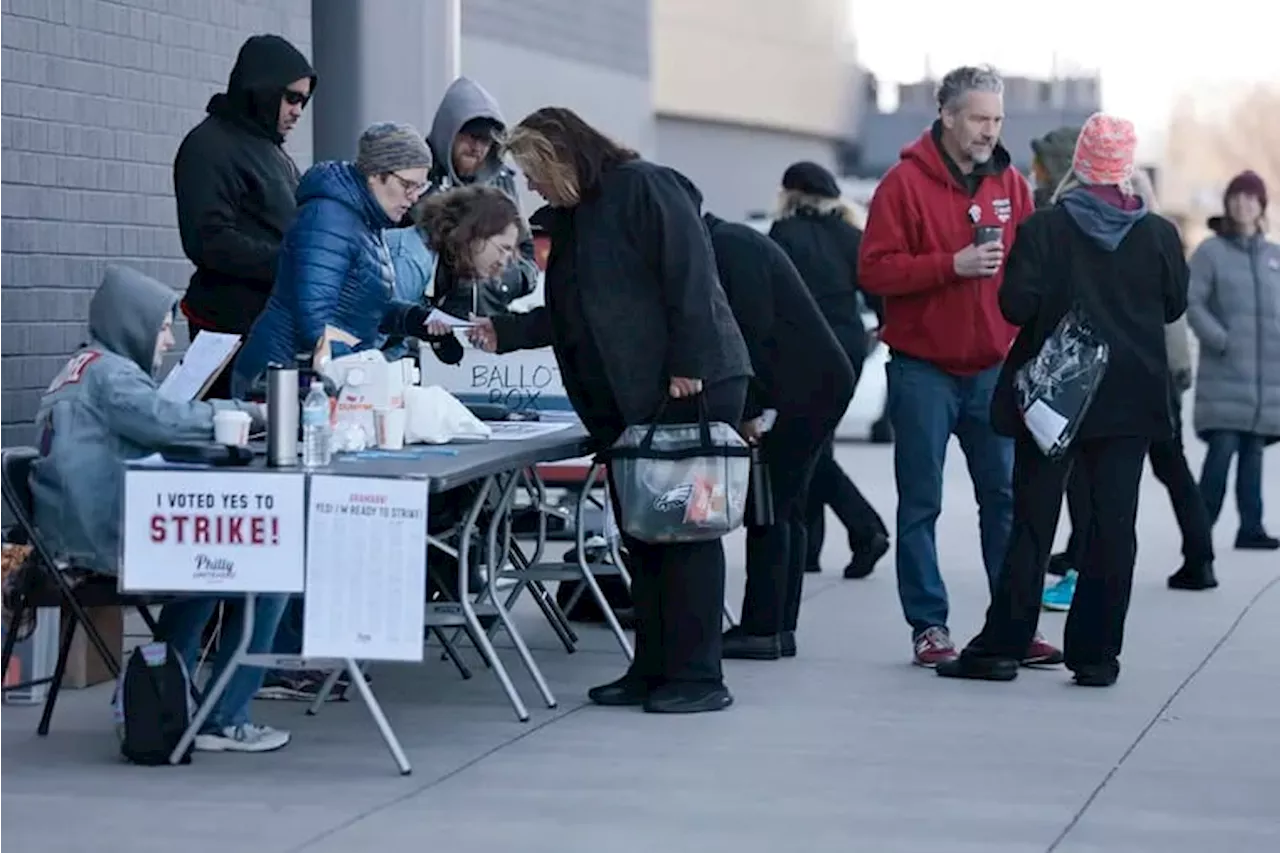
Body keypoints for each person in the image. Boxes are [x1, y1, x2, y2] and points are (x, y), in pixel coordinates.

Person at [467, 107, 753, 714]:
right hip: (633, 401)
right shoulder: (575, 218)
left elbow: (692, 277)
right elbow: (573, 311)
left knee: (686, 532)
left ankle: (699, 676)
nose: (532, 187)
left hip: (687, 386)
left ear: (562, 156)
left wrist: (689, 363)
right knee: (642, 532)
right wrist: (504, 332)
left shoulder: (646, 187)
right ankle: (652, 668)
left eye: (534, 172)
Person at [937, 112, 1189, 687]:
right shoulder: (1158, 236)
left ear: (1079, 162)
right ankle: (1096, 656)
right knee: (1112, 527)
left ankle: (1003, 646)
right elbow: (1173, 306)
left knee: (1033, 522)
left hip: (1056, 401)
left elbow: (1015, 306)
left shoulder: (1046, 229)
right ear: (1127, 168)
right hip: (1129, 402)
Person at [29, 265, 287, 752]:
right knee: (269, 572)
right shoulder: (112, 376)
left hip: (76, 537)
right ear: (132, 323)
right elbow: (167, 423)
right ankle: (223, 718)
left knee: (213, 566)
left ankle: (162, 697)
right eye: (162, 329)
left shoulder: (87, 366)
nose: (168, 342)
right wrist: (253, 413)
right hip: (102, 544)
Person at [858, 65, 1060, 668]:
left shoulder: (1013, 185)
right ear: (946, 116)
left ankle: (1012, 627)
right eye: (978, 118)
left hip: (993, 372)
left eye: (996, 120)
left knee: (1003, 499)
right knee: (921, 503)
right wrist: (952, 265)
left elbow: (1031, 268)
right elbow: (874, 271)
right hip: (923, 370)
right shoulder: (902, 184)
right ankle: (929, 627)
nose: (988, 131)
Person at [1036, 158, 1217, 603]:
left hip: (1121, 379)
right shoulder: (1155, 235)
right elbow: (1173, 312)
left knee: (1097, 482)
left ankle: (1081, 564)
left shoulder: (1126, 236)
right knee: (1167, 470)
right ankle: (1200, 554)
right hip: (1151, 379)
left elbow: (1170, 312)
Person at [702, 209, 856, 661]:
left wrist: (748, 410)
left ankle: (763, 628)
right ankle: (778, 628)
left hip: (807, 385)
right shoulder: (735, 241)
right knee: (786, 506)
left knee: (767, 506)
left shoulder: (729, 249)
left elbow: (749, 333)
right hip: (816, 381)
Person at [231, 122, 438, 393]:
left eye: (420, 188)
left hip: (309, 378)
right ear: (375, 174)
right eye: (407, 185)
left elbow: (363, 308)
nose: (413, 198)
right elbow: (316, 320)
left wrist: (414, 320)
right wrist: (362, 380)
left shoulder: (366, 221)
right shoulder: (329, 217)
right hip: (280, 382)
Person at [174, 34, 316, 399]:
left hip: (272, 322)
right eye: (292, 98)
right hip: (228, 328)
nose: (299, 110)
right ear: (263, 90)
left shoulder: (270, 149)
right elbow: (208, 240)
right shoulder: (208, 146)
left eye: (304, 100)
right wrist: (289, 261)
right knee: (234, 434)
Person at [767, 162, 889, 580]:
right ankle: (810, 550)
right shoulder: (852, 237)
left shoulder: (784, 235)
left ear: (790, 194)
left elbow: (772, 298)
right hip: (848, 349)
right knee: (817, 442)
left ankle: (865, 529)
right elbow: (879, 297)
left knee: (803, 445)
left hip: (803, 350)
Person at [1186, 170, 1280, 552]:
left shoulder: (1273, 257)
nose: (1243, 204)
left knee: (1253, 452)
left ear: (1261, 206)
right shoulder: (1211, 252)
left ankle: (1251, 528)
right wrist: (1219, 339)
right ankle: (1200, 528)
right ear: (1227, 204)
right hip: (1225, 372)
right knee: (1222, 450)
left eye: (1250, 198)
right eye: (1236, 197)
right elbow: (1191, 302)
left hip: (1263, 378)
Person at [414, 76, 538, 318]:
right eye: (471, 135)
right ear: (449, 130)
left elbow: (527, 255)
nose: (478, 147)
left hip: (491, 326)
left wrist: (496, 283)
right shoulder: (417, 174)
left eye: (487, 140)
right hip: (426, 324)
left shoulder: (502, 182)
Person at [382, 185, 522, 364]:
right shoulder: (410, 259)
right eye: (503, 249)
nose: (503, 261)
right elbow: (373, 334)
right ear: (474, 232)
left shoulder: (437, 263)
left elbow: (394, 341)